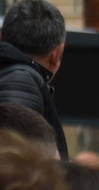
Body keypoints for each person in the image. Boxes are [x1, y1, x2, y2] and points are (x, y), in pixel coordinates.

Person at [0, 0, 67, 159]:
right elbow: (14, 162)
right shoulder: (20, 80)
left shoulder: (12, 73)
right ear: (56, 54)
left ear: (2, 37)